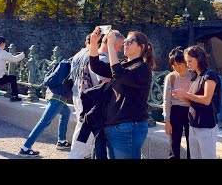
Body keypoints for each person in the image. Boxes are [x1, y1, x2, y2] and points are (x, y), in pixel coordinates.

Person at [89, 28, 155, 159]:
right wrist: (93, 43)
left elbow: (118, 74)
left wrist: (110, 46)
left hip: (129, 126)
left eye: (130, 41)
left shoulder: (142, 67)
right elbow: (96, 67)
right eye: (125, 41)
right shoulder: (124, 64)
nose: (126, 44)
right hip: (114, 126)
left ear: (141, 47)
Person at [69, 31, 124, 159]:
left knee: (81, 131)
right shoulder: (103, 59)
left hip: (79, 95)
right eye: (119, 46)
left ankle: (77, 154)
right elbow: (106, 83)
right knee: (86, 137)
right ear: (110, 43)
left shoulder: (82, 54)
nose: (120, 50)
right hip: (93, 104)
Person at [172, 45, 219, 159]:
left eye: (190, 61)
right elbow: (192, 103)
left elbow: (206, 100)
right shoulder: (196, 77)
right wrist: (181, 96)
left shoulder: (209, 75)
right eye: (186, 61)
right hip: (193, 125)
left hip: (206, 126)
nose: (187, 64)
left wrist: (186, 94)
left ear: (199, 59)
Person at [18, 62, 74, 157]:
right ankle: (25, 147)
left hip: (51, 94)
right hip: (58, 98)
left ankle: (61, 141)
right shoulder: (73, 66)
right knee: (44, 122)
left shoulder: (65, 64)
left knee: (66, 112)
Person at [163, 46, 192, 159]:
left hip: (190, 110)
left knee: (192, 144)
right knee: (174, 144)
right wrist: (167, 121)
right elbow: (166, 100)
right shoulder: (171, 77)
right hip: (176, 110)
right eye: (174, 65)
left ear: (185, 62)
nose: (177, 67)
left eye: (179, 64)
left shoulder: (193, 75)